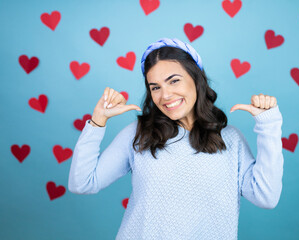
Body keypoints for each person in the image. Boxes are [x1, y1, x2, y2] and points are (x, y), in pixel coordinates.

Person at [68, 38, 284, 240]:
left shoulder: (230, 140)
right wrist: (97, 121)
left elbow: (266, 197)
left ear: (196, 79)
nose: (165, 95)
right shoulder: (139, 133)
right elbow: (83, 183)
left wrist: (268, 125)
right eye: (155, 87)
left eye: (174, 81)